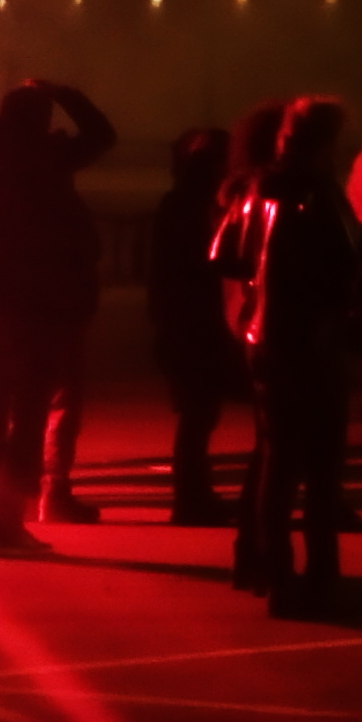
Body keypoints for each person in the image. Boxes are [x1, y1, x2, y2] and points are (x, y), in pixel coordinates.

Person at [0, 81, 117, 556]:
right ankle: (6, 525)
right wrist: (66, 92)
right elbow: (102, 135)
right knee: (27, 419)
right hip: (43, 309)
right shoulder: (46, 164)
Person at [229, 99, 362, 614]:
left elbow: (226, 257)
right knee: (323, 467)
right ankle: (320, 574)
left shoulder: (255, 189)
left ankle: (272, 570)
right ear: (326, 142)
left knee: (277, 461)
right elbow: (351, 259)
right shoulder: (320, 192)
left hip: (265, 337)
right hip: (314, 341)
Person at [147, 125, 243, 522]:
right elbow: (200, 267)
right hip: (194, 321)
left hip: (183, 320)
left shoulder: (178, 203)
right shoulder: (193, 208)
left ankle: (194, 494)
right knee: (198, 413)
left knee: (198, 413)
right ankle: (191, 497)